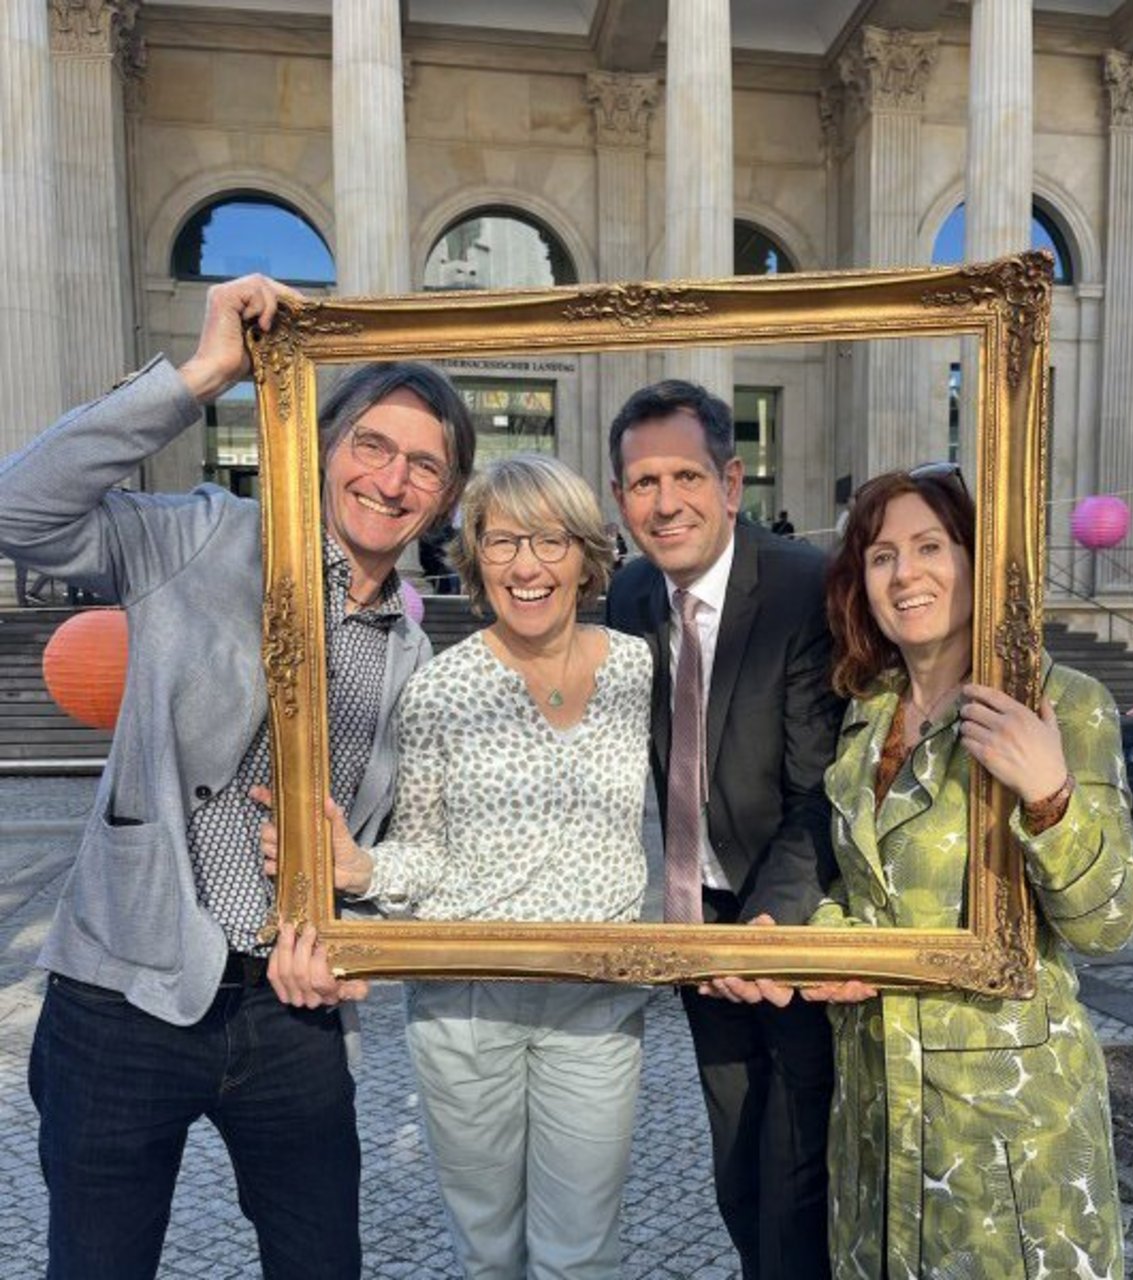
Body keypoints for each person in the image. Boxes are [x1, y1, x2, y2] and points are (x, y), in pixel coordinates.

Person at [0, 274, 475, 1280]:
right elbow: (20, 510)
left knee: (320, 1263)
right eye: (373, 447)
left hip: (290, 1012)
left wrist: (358, 934)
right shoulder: (203, 535)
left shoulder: (411, 656)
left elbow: (397, 847)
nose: (391, 481)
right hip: (123, 989)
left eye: (423, 466)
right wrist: (203, 372)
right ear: (319, 444)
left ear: (445, 494)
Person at [267, 453, 652, 1280]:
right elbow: (426, 847)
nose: (526, 565)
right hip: (467, 1006)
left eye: (549, 540)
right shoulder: (441, 689)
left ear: (587, 555)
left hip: (595, 1001)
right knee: (487, 1249)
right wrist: (362, 868)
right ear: (474, 557)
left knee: (582, 1251)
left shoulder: (636, 668)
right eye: (503, 540)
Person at [807, 464, 1133, 1279]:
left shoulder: (1063, 703)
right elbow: (857, 888)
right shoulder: (866, 712)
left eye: (931, 546)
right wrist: (828, 943)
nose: (905, 574)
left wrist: (1051, 794)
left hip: (1005, 1123)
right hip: (877, 1110)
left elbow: (1111, 925)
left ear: (980, 561)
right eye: (882, 555)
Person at [604, 380, 845, 1280]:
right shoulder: (630, 594)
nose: (664, 503)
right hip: (694, 926)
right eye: (640, 482)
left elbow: (821, 790)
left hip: (789, 929)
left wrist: (773, 924)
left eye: (685, 476)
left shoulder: (801, 590)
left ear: (732, 483)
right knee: (736, 1167)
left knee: (796, 1178)